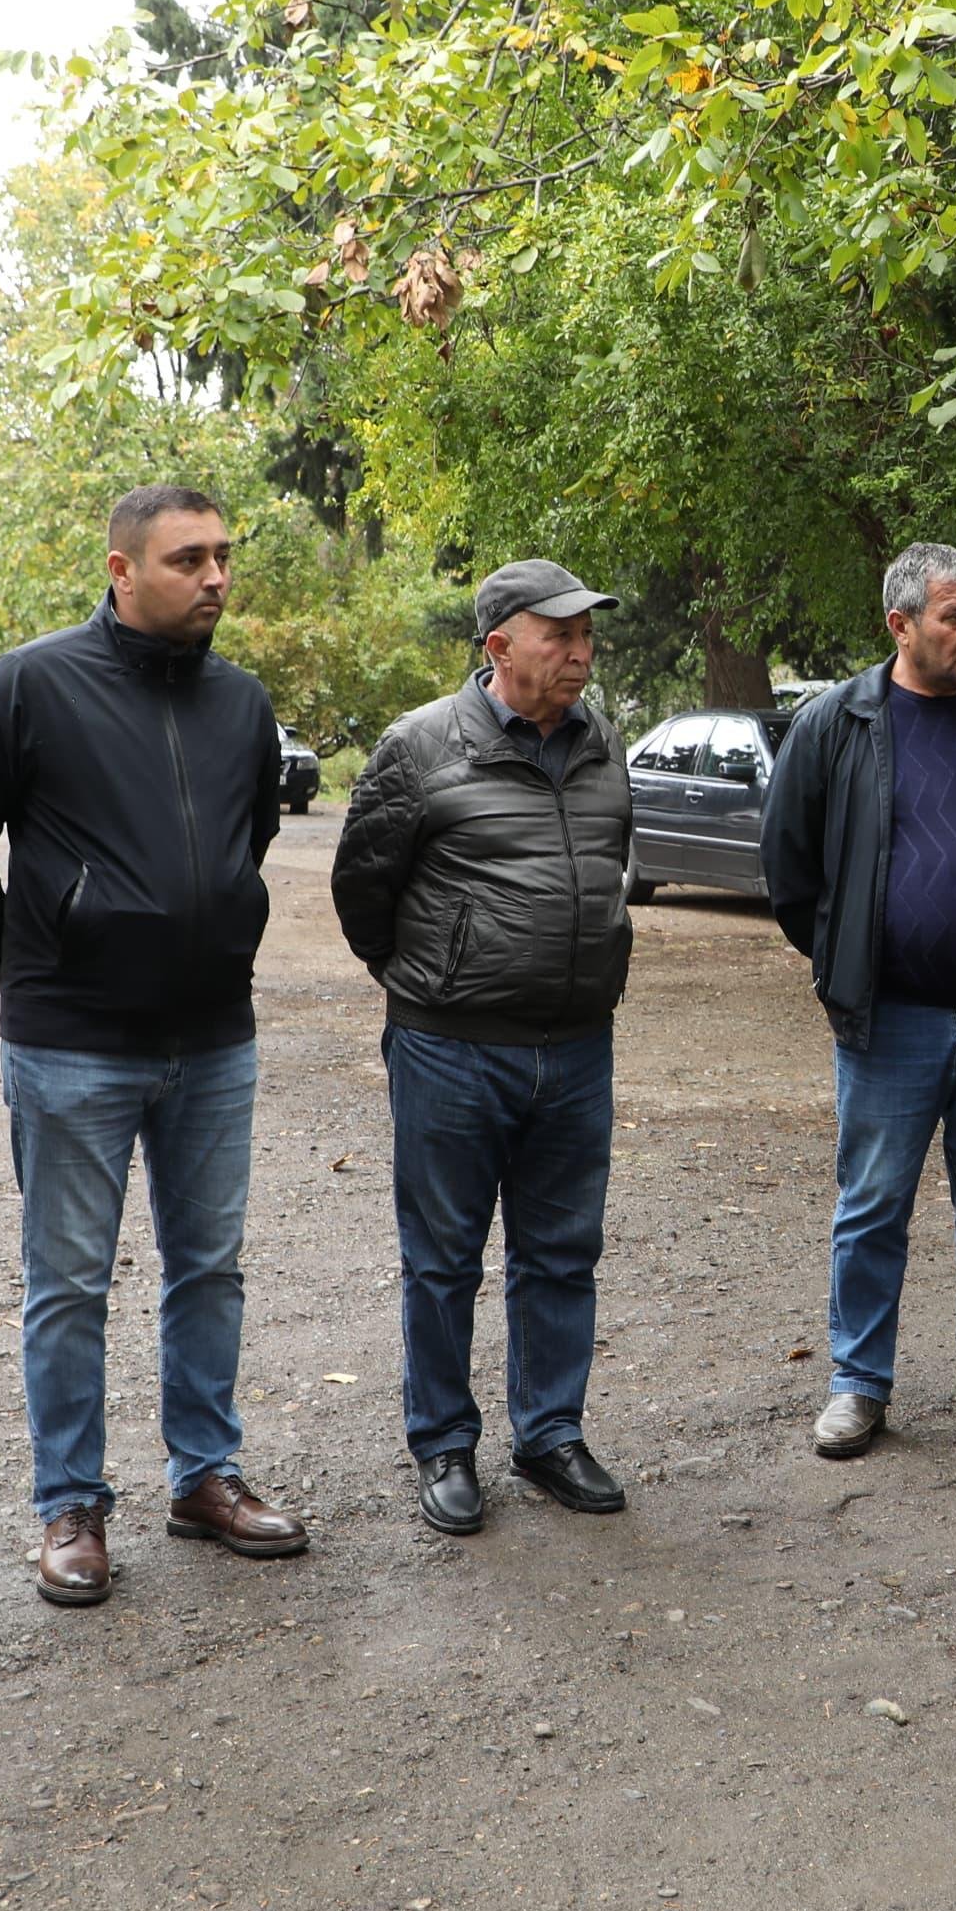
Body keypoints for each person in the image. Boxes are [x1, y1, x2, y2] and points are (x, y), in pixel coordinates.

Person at [0, 485, 305, 1607]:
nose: (216, 577)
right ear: (121, 568)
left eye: (224, 556)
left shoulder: (242, 702)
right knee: (69, 1283)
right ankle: (72, 1503)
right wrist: (32, 958)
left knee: (210, 1268)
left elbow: (246, 839)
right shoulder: (31, 683)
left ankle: (205, 1476)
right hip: (73, 1044)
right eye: (189, 558)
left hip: (213, 1039)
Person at [331, 559, 636, 1535]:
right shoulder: (420, 745)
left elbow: (611, 863)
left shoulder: (603, 743)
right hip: (451, 1046)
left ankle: (550, 1433)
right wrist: (438, 980)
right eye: (563, 635)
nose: (582, 654)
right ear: (500, 643)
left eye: (589, 636)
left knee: (562, 1252)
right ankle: (445, 1444)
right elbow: (361, 892)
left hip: (579, 1044)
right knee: (444, 1257)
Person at [761, 543, 956, 1460]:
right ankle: (858, 1385)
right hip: (889, 1018)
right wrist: (848, 961)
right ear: (900, 625)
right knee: (872, 1206)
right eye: (955, 617)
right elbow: (789, 869)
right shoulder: (837, 723)